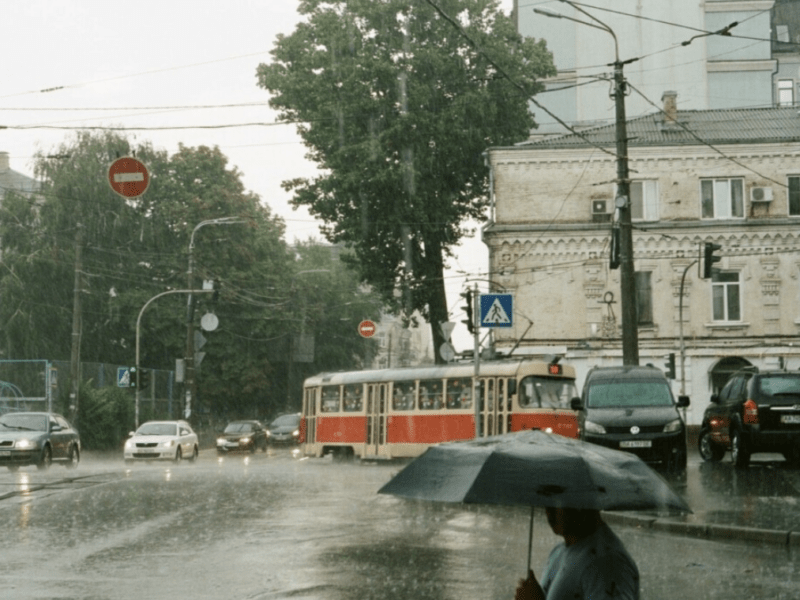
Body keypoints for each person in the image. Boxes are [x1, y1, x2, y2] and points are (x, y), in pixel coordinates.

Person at [515, 507, 639, 600]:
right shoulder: (558, 551)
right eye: (548, 499)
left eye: (559, 500)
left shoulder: (607, 563)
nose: (549, 511)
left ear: (583, 501)